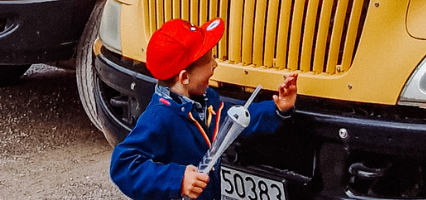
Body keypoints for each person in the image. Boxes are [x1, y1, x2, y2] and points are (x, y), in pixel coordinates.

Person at [110, 18, 298, 200]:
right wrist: (179, 179)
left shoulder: (206, 100)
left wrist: (277, 108)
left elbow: (233, 121)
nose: (214, 65)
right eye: (208, 60)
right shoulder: (160, 117)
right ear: (184, 77)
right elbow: (123, 165)